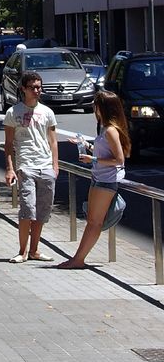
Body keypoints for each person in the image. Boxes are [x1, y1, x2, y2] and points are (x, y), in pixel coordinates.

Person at [57, 89, 130, 270]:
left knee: (94, 222)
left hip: (106, 180)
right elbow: (104, 151)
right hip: (99, 178)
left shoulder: (111, 130)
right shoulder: (105, 128)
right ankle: (78, 258)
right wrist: (86, 146)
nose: (93, 108)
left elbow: (119, 159)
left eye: (95, 105)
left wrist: (94, 160)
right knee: (92, 219)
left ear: (101, 108)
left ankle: (78, 259)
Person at [2, 71, 59, 262]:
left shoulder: (47, 112)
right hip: (26, 165)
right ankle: (22, 251)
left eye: (38, 87)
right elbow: (9, 144)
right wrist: (10, 168)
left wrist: (55, 166)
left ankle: (35, 250)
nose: (36, 90)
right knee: (27, 209)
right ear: (23, 89)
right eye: (32, 87)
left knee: (42, 210)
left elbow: (53, 142)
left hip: (46, 166)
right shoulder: (13, 112)